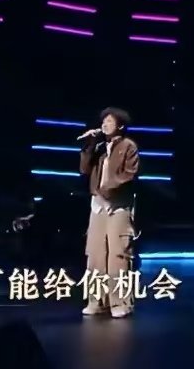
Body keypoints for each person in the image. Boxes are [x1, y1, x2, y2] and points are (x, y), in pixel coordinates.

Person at [79, 107, 140, 318]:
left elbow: (129, 174)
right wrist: (89, 145)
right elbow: (84, 170)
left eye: (110, 121)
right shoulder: (98, 148)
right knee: (95, 254)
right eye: (103, 121)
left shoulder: (128, 146)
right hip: (98, 205)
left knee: (118, 255)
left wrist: (107, 190)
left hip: (118, 205)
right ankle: (97, 301)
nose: (104, 125)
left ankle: (121, 303)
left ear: (120, 126)